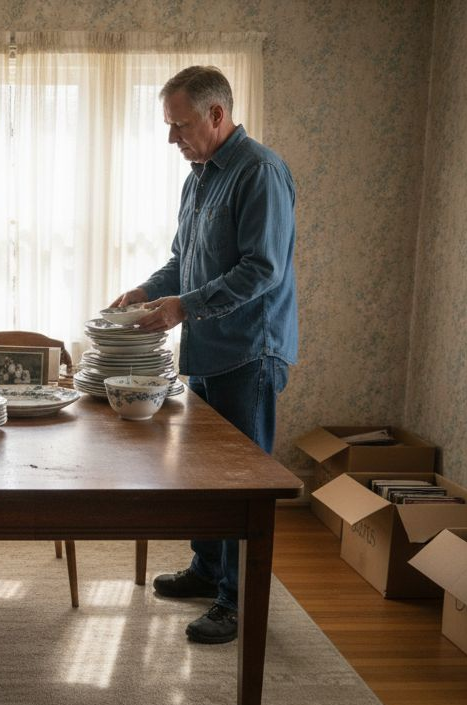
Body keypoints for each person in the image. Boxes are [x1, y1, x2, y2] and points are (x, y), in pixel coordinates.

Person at [109, 65, 297, 645]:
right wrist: (146, 291)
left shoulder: (259, 171)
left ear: (217, 114)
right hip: (208, 350)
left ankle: (236, 602)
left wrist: (182, 308)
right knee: (204, 473)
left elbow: (262, 270)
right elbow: (183, 262)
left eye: (180, 124)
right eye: (169, 125)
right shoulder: (197, 178)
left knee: (241, 484)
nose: (172, 138)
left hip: (249, 352)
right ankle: (207, 569)